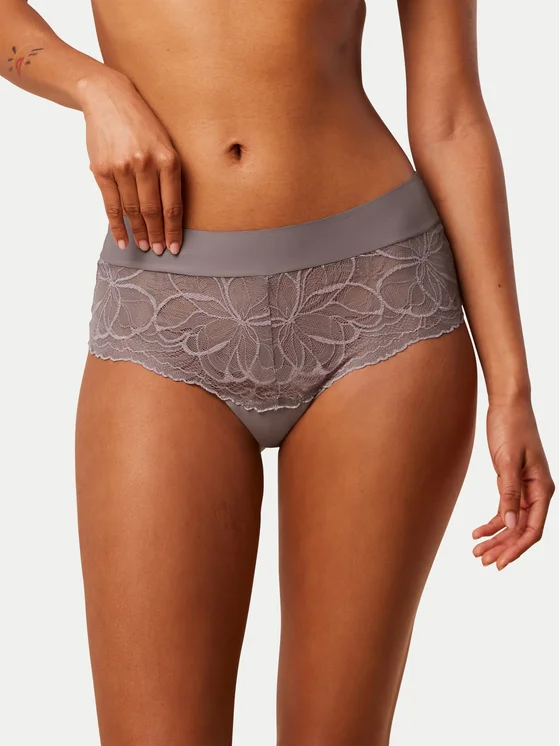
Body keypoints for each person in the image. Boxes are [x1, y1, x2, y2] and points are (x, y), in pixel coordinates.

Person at [1, 0, 555, 744]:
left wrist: (511, 390)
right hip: (164, 312)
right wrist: (93, 86)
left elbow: (452, 116)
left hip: (378, 304)